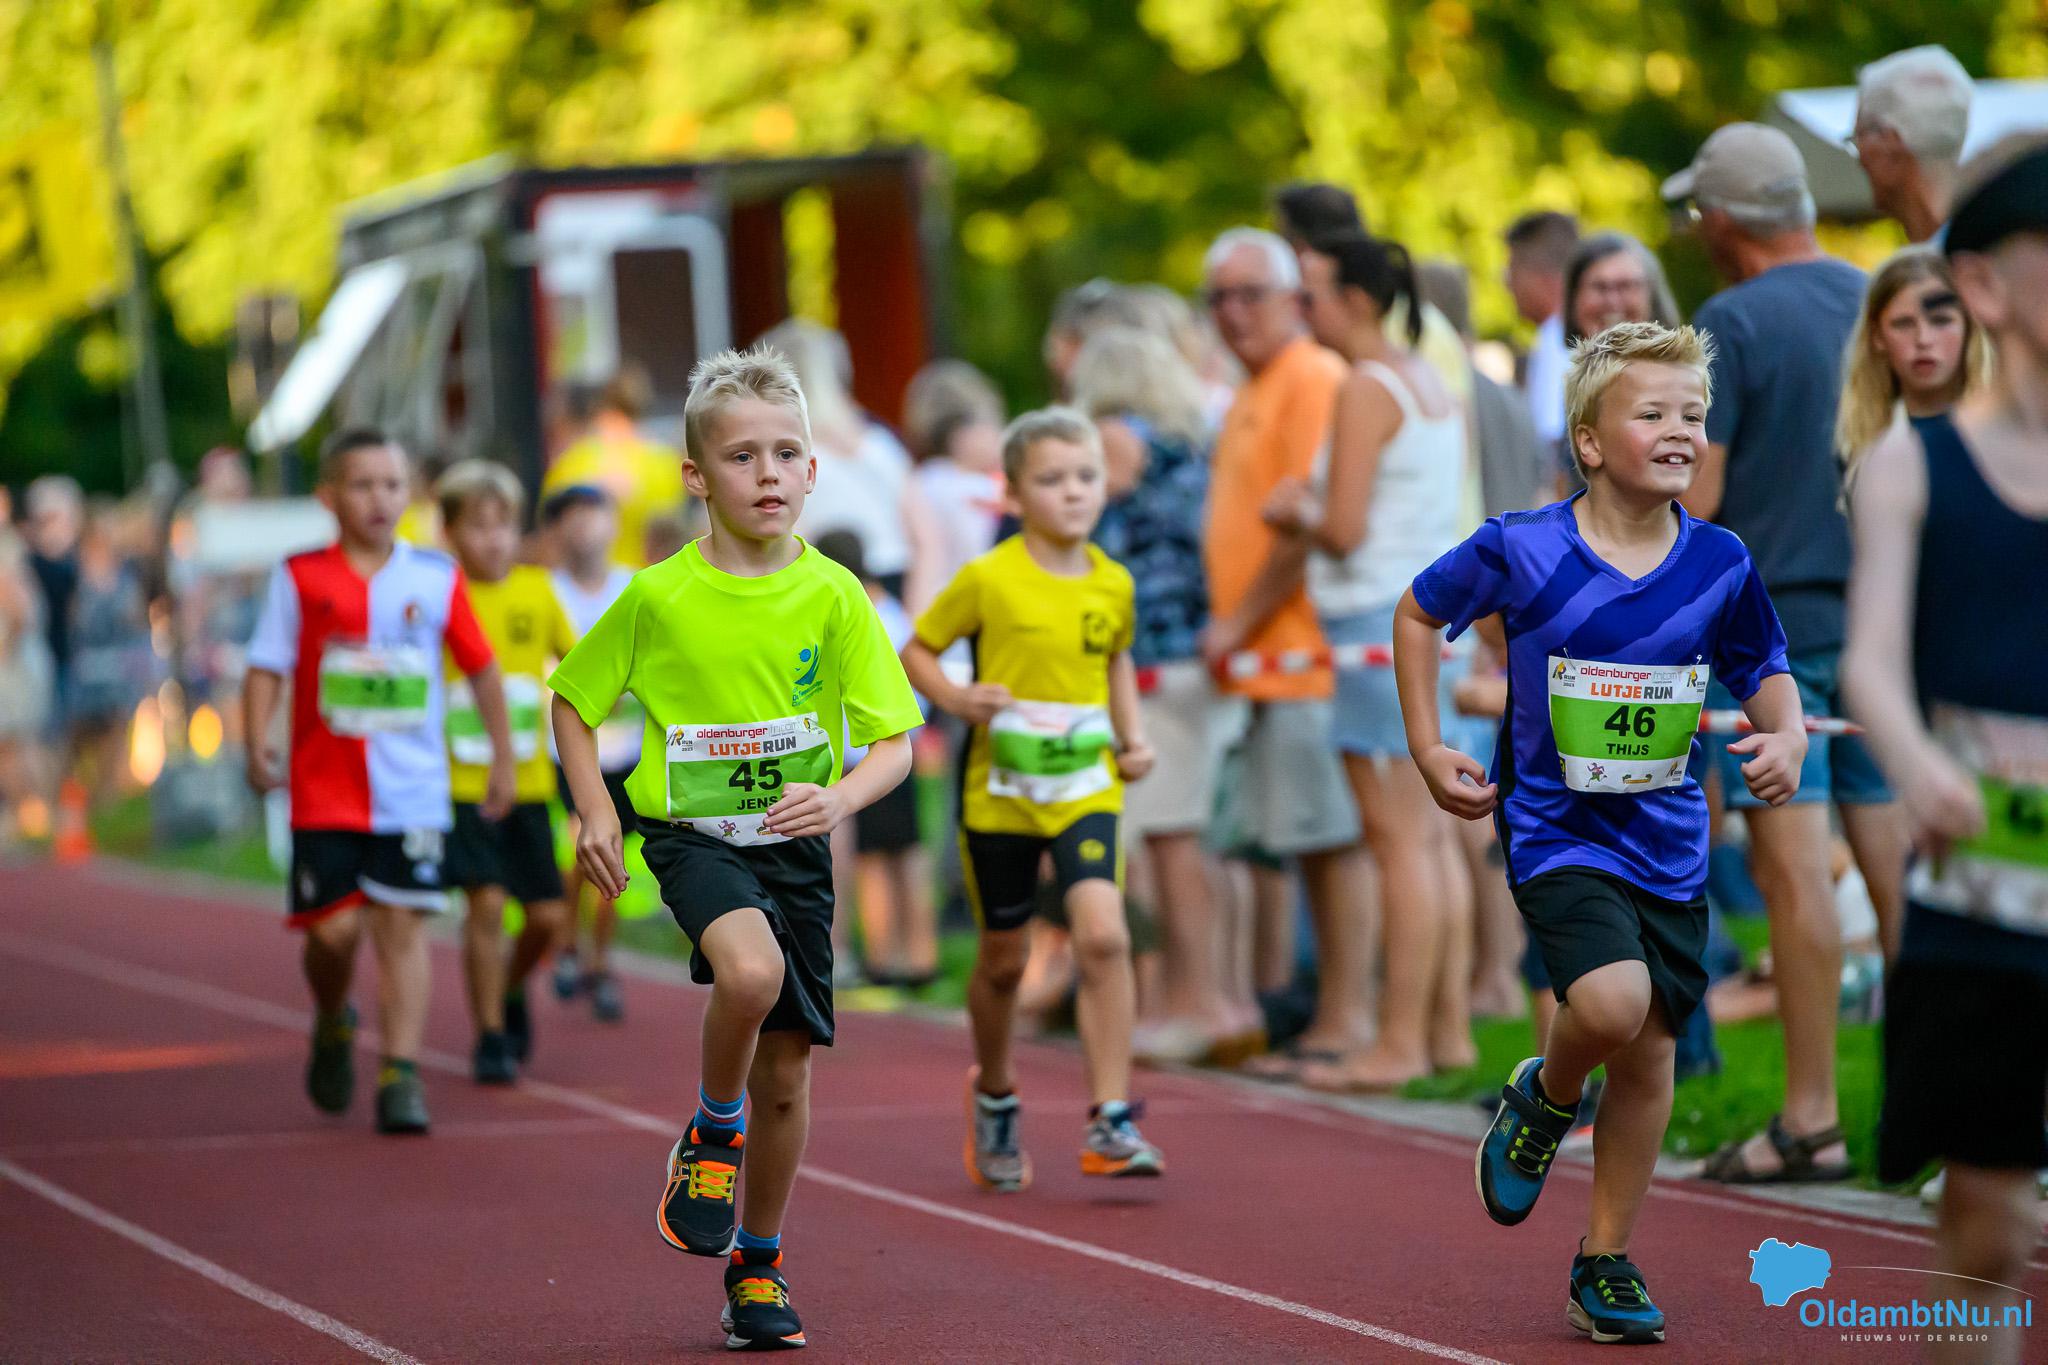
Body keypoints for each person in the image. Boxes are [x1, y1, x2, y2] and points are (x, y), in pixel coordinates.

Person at [1396, 321, 1807, 1346]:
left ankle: (1603, 1260)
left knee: (1652, 1057)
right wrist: (1425, 745)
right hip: (1554, 829)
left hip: (1667, 840)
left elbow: (1762, 665)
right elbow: (1416, 613)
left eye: (1693, 415)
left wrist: (1788, 734)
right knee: (1612, 1004)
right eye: (1651, 413)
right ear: (1588, 440)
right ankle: (1545, 1092)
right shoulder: (1522, 547)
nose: (1680, 431)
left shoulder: (1716, 561)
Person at [550, 346, 920, 1351]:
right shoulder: (658, 595)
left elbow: (895, 743)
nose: (766, 473)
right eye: (741, 455)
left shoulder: (836, 595)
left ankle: (757, 1266)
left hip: (793, 847)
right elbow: (573, 702)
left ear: (813, 472)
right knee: (748, 974)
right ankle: (715, 1129)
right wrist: (595, 811)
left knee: (788, 1074)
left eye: (785, 454)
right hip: (693, 836)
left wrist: (837, 797)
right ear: (695, 477)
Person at [1664, 122, 1910, 1183]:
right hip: (1885, 622)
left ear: (1722, 220)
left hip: (1769, 635)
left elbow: (1700, 496)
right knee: (1900, 878)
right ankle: (1951, 1116)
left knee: (1793, 875)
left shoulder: (1730, 319)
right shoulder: (1877, 295)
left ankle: (1810, 1119)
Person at [1841, 133, 2048, 1365]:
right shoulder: (1911, 464)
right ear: (1982, 284)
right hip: (1980, 893)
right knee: (1986, 1223)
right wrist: (1919, 765)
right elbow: (1867, 659)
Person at [904, 406, 1165, 1189]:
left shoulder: (1113, 581)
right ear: (1013, 495)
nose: (1074, 491)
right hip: (1002, 794)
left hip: (1086, 784)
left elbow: (1114, 658)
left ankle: (1110, 1117)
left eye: (1086, 476)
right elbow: (917, 649)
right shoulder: (988, 578)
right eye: (1052, 479)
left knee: (1104, 934)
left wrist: (1133, 736)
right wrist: (958, 698)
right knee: (1004, 960)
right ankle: (994, 1089)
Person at [243, 428, 517, 1135]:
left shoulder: (435, 575)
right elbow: (267, 665)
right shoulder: (299, 576)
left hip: (413, 791)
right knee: (332, 935)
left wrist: (503, 758)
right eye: (362, 485)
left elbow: (483, 669)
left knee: (402, 927)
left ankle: (400, 1074)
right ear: (328, 496)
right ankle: (334, 1015)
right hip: (323, 790)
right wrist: (256, 740)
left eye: (392, 484)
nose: (379, 499)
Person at [1261, 229, 1476, 1089]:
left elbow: (1345, 528)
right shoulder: (1430, 380)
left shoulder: (1364, 386)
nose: (1298, 309)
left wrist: (1296, 510)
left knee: (1399, 844)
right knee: (1431, 841)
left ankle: (1399, 1041)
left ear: (1354, 300)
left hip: (1374, 628)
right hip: (1431, 624)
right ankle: (1446, 1031)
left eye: (1307, 292)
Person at [1197, 227, 1372, 1077]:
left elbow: (1307, 522)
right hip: (1272, 661)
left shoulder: (1310, 376)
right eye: (1218, 298)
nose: (1233, 313)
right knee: (1310, 845)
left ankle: (1346, 1020)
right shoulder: (1255, 385)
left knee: (1334, 843)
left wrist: (1238, 623)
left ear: (1291, 299)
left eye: (1249, 294)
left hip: (1304, 651)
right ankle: (1329, 1016)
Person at [1072, 324, 1262, 1065]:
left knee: (1169, 842)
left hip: (1152, 660)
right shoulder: (1194, 446)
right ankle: (1230, 999)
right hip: (1199, 656)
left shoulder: (1113, 440)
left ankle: (1194, 1003)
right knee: (1204, 842)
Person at [435, 461, 578, 1084]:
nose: (493, 539)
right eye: (478, 526)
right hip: (461, 783)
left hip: (530, 781)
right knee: (487, 906)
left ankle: (511, 986)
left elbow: (578, 664)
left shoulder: (537, 591)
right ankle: (491, 1036)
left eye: (503, 525)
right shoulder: (439, 595)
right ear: (450, 532)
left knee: (547, 917)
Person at [811, 529, 937, 988]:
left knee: (870, 859)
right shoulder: (894, 611)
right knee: (907, 853)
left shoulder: (848, 610)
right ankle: (919, 957)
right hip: (898, 746)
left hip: (863, 753)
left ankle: (881, 958)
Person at [767, 318, 943, 612]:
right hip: (892, 584)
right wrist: (915, 614)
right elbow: (927, 539)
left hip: (828, 585)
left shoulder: (785, 451)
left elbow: (786, 539)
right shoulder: (882, 443)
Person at [543, 484, 639, 1021]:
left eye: (595, 513)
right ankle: (567, 944)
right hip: (564, 749)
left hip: (626, 751)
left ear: (615, 522)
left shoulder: (636, 587)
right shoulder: (546, 591)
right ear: (556, 529)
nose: (585, 526)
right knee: (578, 845)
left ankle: (599, 959)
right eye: (572, 516)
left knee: (612, 854)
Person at [1837, 246, 1992, 492]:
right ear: (1877, 336)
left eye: (1941, 320)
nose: (1923, 339)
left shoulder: (2011, 433)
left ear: (1969, 328)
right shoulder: (1857, 444)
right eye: (1903, 324)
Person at [543, 365, 688, 568]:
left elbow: (551, 539)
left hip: (590, 584)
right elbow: (673, 536)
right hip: (648, 581)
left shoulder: (573, 461)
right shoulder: (666, 463)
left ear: (599, 405)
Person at [1851, 45, 1975, 245]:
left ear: (1889, 143)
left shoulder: (1951, 256)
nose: (1859, 160)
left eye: (1858, 137)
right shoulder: (1993, 242)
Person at [903, 358, 1007, 587]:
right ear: (960, 435)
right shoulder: (944, 484)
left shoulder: (924, 480)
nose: (998, 436)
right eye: (989, 425)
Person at [1504, 211, 1581, 451]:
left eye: (1513, 269)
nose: (1508, 284)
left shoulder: (1557, 339)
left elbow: (1549, 441)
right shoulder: (1569, 334)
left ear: (1540, 275)